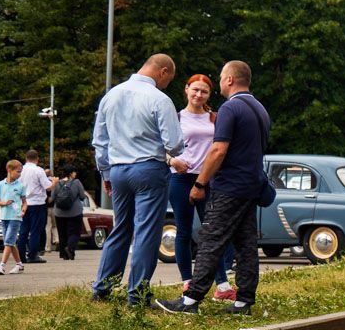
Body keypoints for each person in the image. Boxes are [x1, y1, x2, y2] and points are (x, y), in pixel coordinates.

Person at [157, 60, 269, 316]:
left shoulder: (230, 108)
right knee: (246, 244)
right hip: (252, 186)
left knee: (210, 240)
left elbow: (218, 150)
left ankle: (190, 300)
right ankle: (243, 302)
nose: (219, 82)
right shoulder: (259, 108)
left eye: (220, 77)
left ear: (229, 79)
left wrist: (200, 183)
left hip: (229, 187)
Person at [91, 54, 184, 305]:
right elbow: (174, 144)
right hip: (149, 170)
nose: (166, 85)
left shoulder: (111, 95)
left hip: (118, 170)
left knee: (121, 228)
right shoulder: (159, 99)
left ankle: (102, 287)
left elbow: (100, 142)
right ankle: (138, 293)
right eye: (169, 79)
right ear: (162, 71)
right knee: (146, 231)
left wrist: (106, 173)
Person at [167, 74, 237, 299]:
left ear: (209, 94)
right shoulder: (176, 117)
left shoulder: (215, 118)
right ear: (186, 90)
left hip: (208, 179)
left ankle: (222, 286)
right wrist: (171, 160)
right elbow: (159, 145)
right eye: (195, 90)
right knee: (184, 231)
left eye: (204, 91)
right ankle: (187, 281)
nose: (198, 95)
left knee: (213, 233)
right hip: (181, 179)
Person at [18, 149, 54, 263]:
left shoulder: (20, 170)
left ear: (26, 158)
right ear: (37, 159)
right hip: (37, 203)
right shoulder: (38, 171)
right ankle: (32, 255)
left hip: (23, 203)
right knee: (35, 230)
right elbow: (47, 186)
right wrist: (55, 182)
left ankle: (20, 255)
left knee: (23, 230)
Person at [0, 160, 26, 275]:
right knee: (10, 242)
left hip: (15, 217)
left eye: (20, 172)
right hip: (4, 217)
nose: (19, 174)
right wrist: (4, 203)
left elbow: (25, 202)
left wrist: (24, 209)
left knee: (8, 242)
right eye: (18, 172)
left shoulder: (20, 186)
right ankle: (19, 264)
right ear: (9, 170)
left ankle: (2, 265)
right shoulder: (0, 185)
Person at [51, 166, 88, 260]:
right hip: (75, 212)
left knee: (62, 233)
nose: (75, 174)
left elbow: (53, 196)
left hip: (59, 212)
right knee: (74, 232)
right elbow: (83, 196)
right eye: (74, 172)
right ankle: (70, 248)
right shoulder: (76, 182)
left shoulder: (58, 183)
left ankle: (64, 254)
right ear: (71, 173)